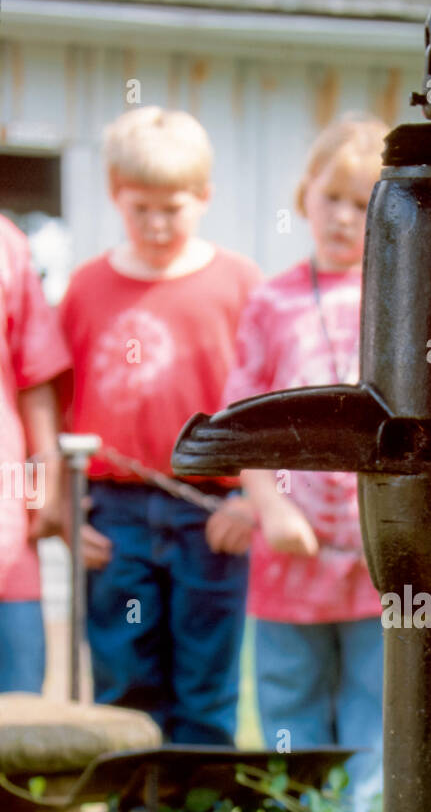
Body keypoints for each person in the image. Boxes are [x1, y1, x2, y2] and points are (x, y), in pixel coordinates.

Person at [59, 107, 261, 743]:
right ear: (116, 195)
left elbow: (266, 405)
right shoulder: (87, 288)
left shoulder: (238, 285)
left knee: (205, 689)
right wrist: (68, 513)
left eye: (171, 208)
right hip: (114, 515)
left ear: (203, 197)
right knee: (123, 687)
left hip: (211, 511)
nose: (155, 224)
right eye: (139, 207)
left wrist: (256, 502)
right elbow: (61, 409)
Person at [224, 114, 388, 812]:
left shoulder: (403, 302)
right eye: (333, 199)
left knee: (373, 717)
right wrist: (271, 507)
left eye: (365, 204)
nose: (345, 218)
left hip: (380, 564)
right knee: (291, 714)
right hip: (290, 564)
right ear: (304, 197)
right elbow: (242, 427)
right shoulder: (273, 302)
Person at [0, 212, 69, 691]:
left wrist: (43, 485)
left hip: (7, 523)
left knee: (20, 709)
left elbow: (35, 379)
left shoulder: (9, 246)